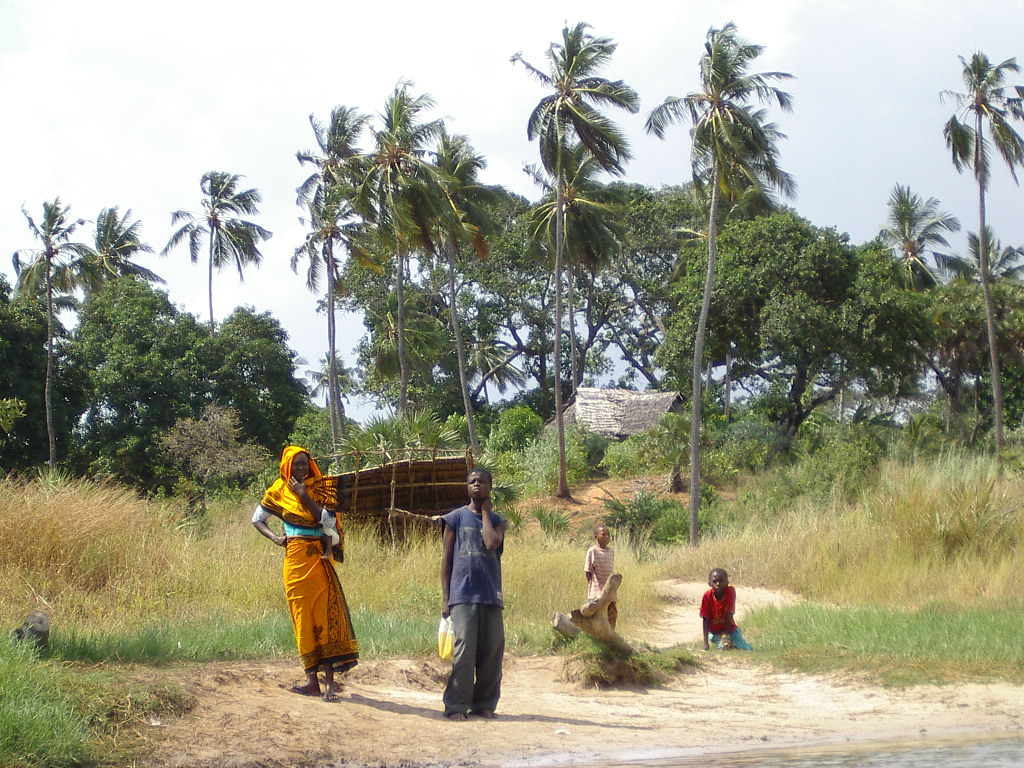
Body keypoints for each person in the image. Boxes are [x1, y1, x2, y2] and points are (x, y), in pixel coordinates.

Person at [252, 446, 358, 701]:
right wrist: (276, 538)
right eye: (296, 465)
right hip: (295, 562)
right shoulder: (277, 491)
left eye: (305, 464)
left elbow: (328, 521)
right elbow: (257, 518)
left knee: (326, 618)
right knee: (302, 620)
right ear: (287, 467)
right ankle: (312, 682)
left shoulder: (321, 489)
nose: (302, 469)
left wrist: (303, 495)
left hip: (320, 561)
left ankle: (330, 684)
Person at [440, 467, 508, 720]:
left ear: (490, 486)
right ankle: (456, 705)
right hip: (462, 595)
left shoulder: (499, 521)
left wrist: (486, 513)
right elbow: (446, 562)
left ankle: (484, 704)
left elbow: (491, 543)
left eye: (482, 481)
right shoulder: (454, 519)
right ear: (466, 487)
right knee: (464, 652)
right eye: (472, 481)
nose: (477, 484)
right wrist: (446, 598)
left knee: (492, 652)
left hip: (491, 595)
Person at [700, 568, 754, 651]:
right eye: (715, 581)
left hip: (731, 629)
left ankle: (745, 647)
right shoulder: (707, 596)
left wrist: (726, 635)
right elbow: (705, 619)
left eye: (721, 581)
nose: (718, 584)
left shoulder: (730, 592)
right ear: (709, 583)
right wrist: (705, 643)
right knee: (723, 648)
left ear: (727, 583)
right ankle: (729, 646)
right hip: (715, 632)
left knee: (745, 649)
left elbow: (729, 614)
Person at [584, 524, 617, 629]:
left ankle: (612, 636)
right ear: (596, 537)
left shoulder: (611, 552)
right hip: (596, 588)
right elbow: (588, 571)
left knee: (612, 613)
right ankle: (597, 636)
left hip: (609, 588)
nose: (607, 537)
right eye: (603, 534)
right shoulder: (592, 551)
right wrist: (592, 584)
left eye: (608, 534)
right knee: (597, 614)